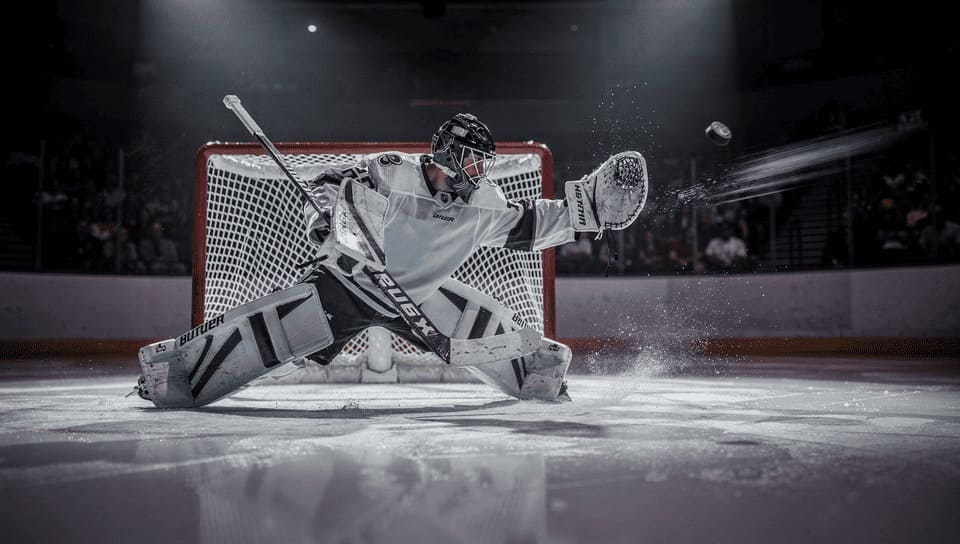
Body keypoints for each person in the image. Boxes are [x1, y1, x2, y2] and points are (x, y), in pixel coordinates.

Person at [133, 113, 648, 408]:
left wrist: (590, 211)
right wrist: (332, 212)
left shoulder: (483, 201)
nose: (477, 170)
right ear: (444, 152)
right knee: (269, 333)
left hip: (420, 298)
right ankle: (172, 371)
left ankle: (538, 372)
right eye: (470, 158)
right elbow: (337, 186)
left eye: (483, 163)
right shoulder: (392, 172)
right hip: (349, 285)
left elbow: (528, 226)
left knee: (485, 325)